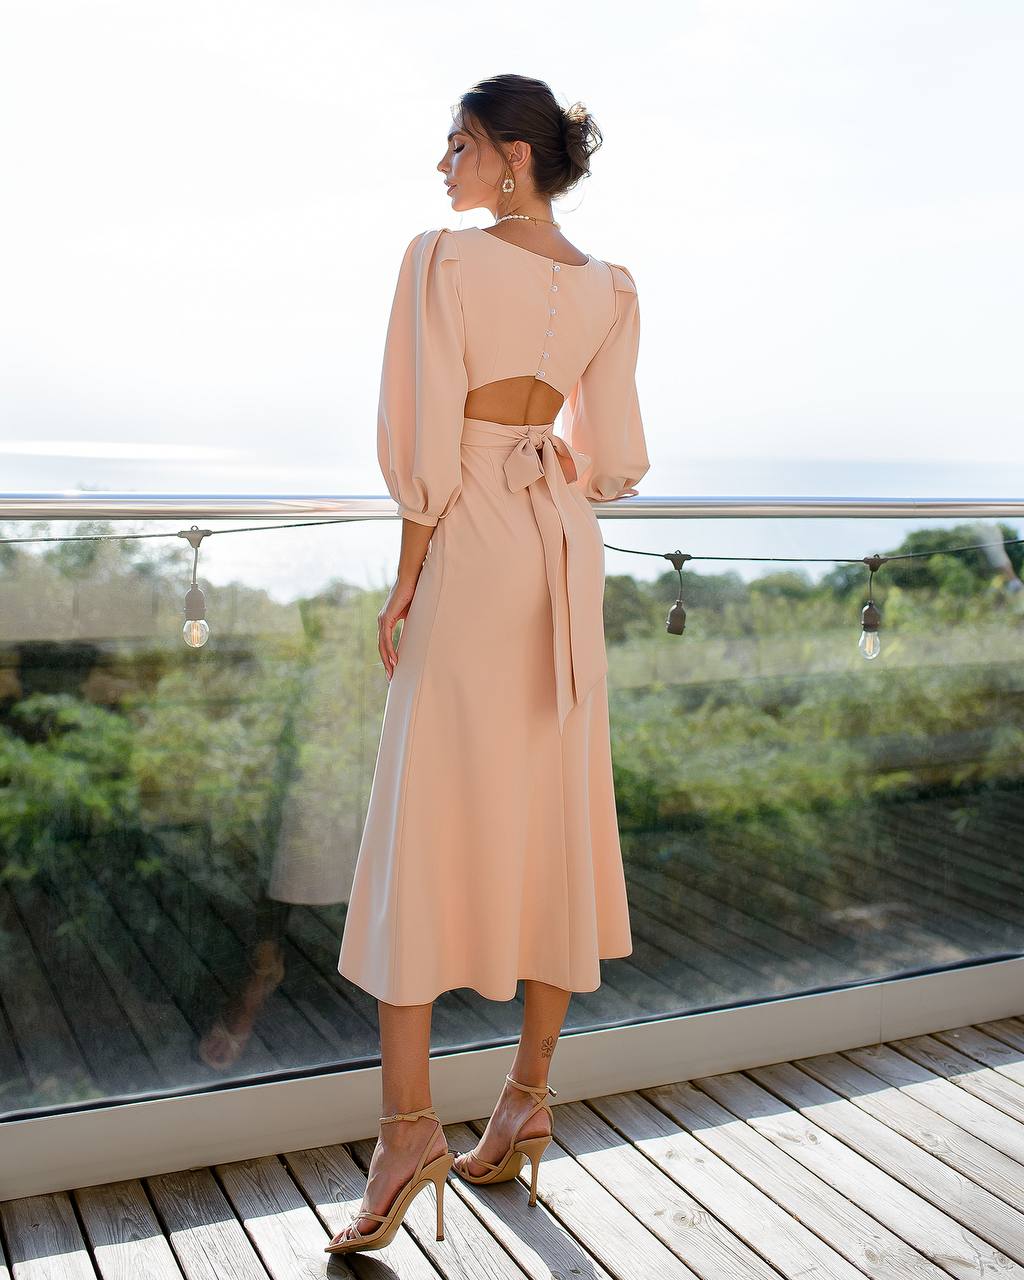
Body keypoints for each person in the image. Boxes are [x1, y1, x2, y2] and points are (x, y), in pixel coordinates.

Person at [327, 73, 651, 1255]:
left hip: (469, 535)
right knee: (551, 815)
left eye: (457, 144)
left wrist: (408, 571)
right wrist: (545, 464)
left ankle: (406, 1125)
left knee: (424, 819)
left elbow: (425, 433)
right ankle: (524, 1098)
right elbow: (606, 455)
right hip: (561, 546)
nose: (443, 166)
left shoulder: (443, 263)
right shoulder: (612, 287)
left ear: (512, 157)